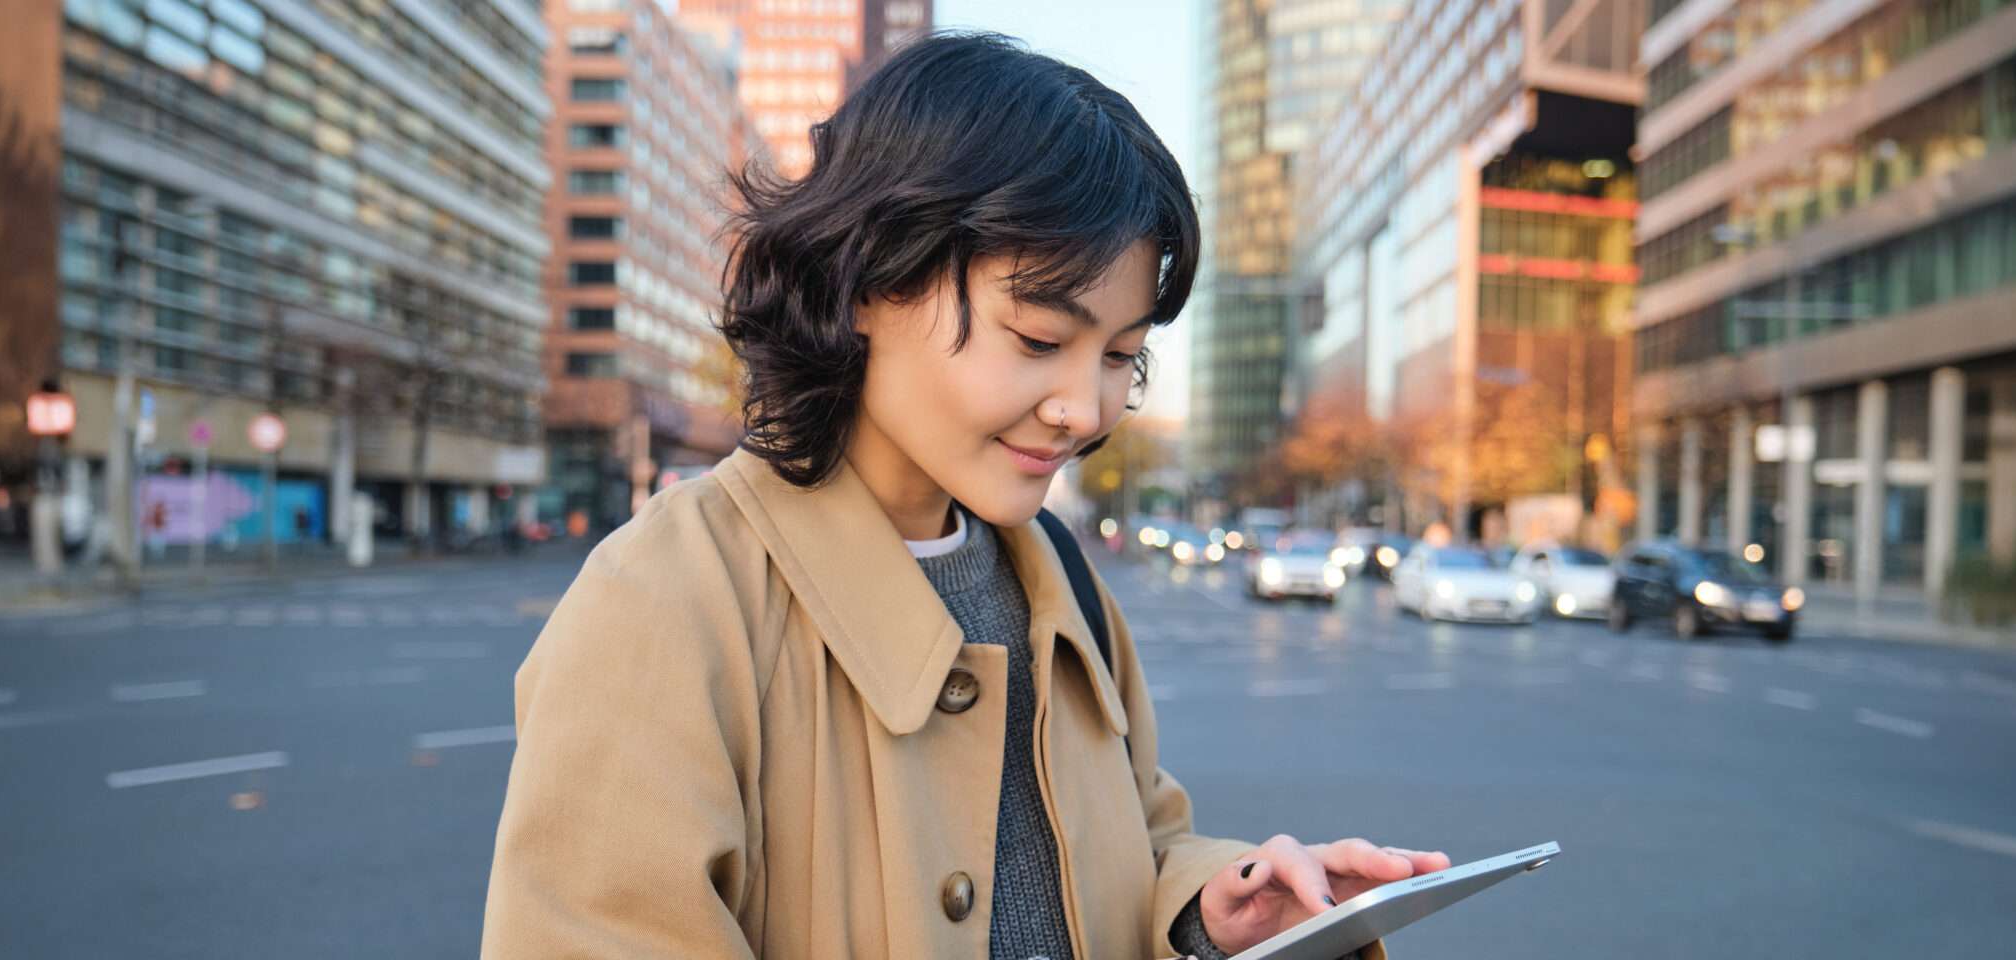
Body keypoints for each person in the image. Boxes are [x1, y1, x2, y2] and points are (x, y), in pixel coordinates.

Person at [481, 33, 1445, 960]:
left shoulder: (1061, 575)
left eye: (1121, 357)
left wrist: (1208, 908)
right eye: (1036, 339)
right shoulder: (667, 599)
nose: (1082, 408)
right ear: (867, 279)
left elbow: (1134, 837)